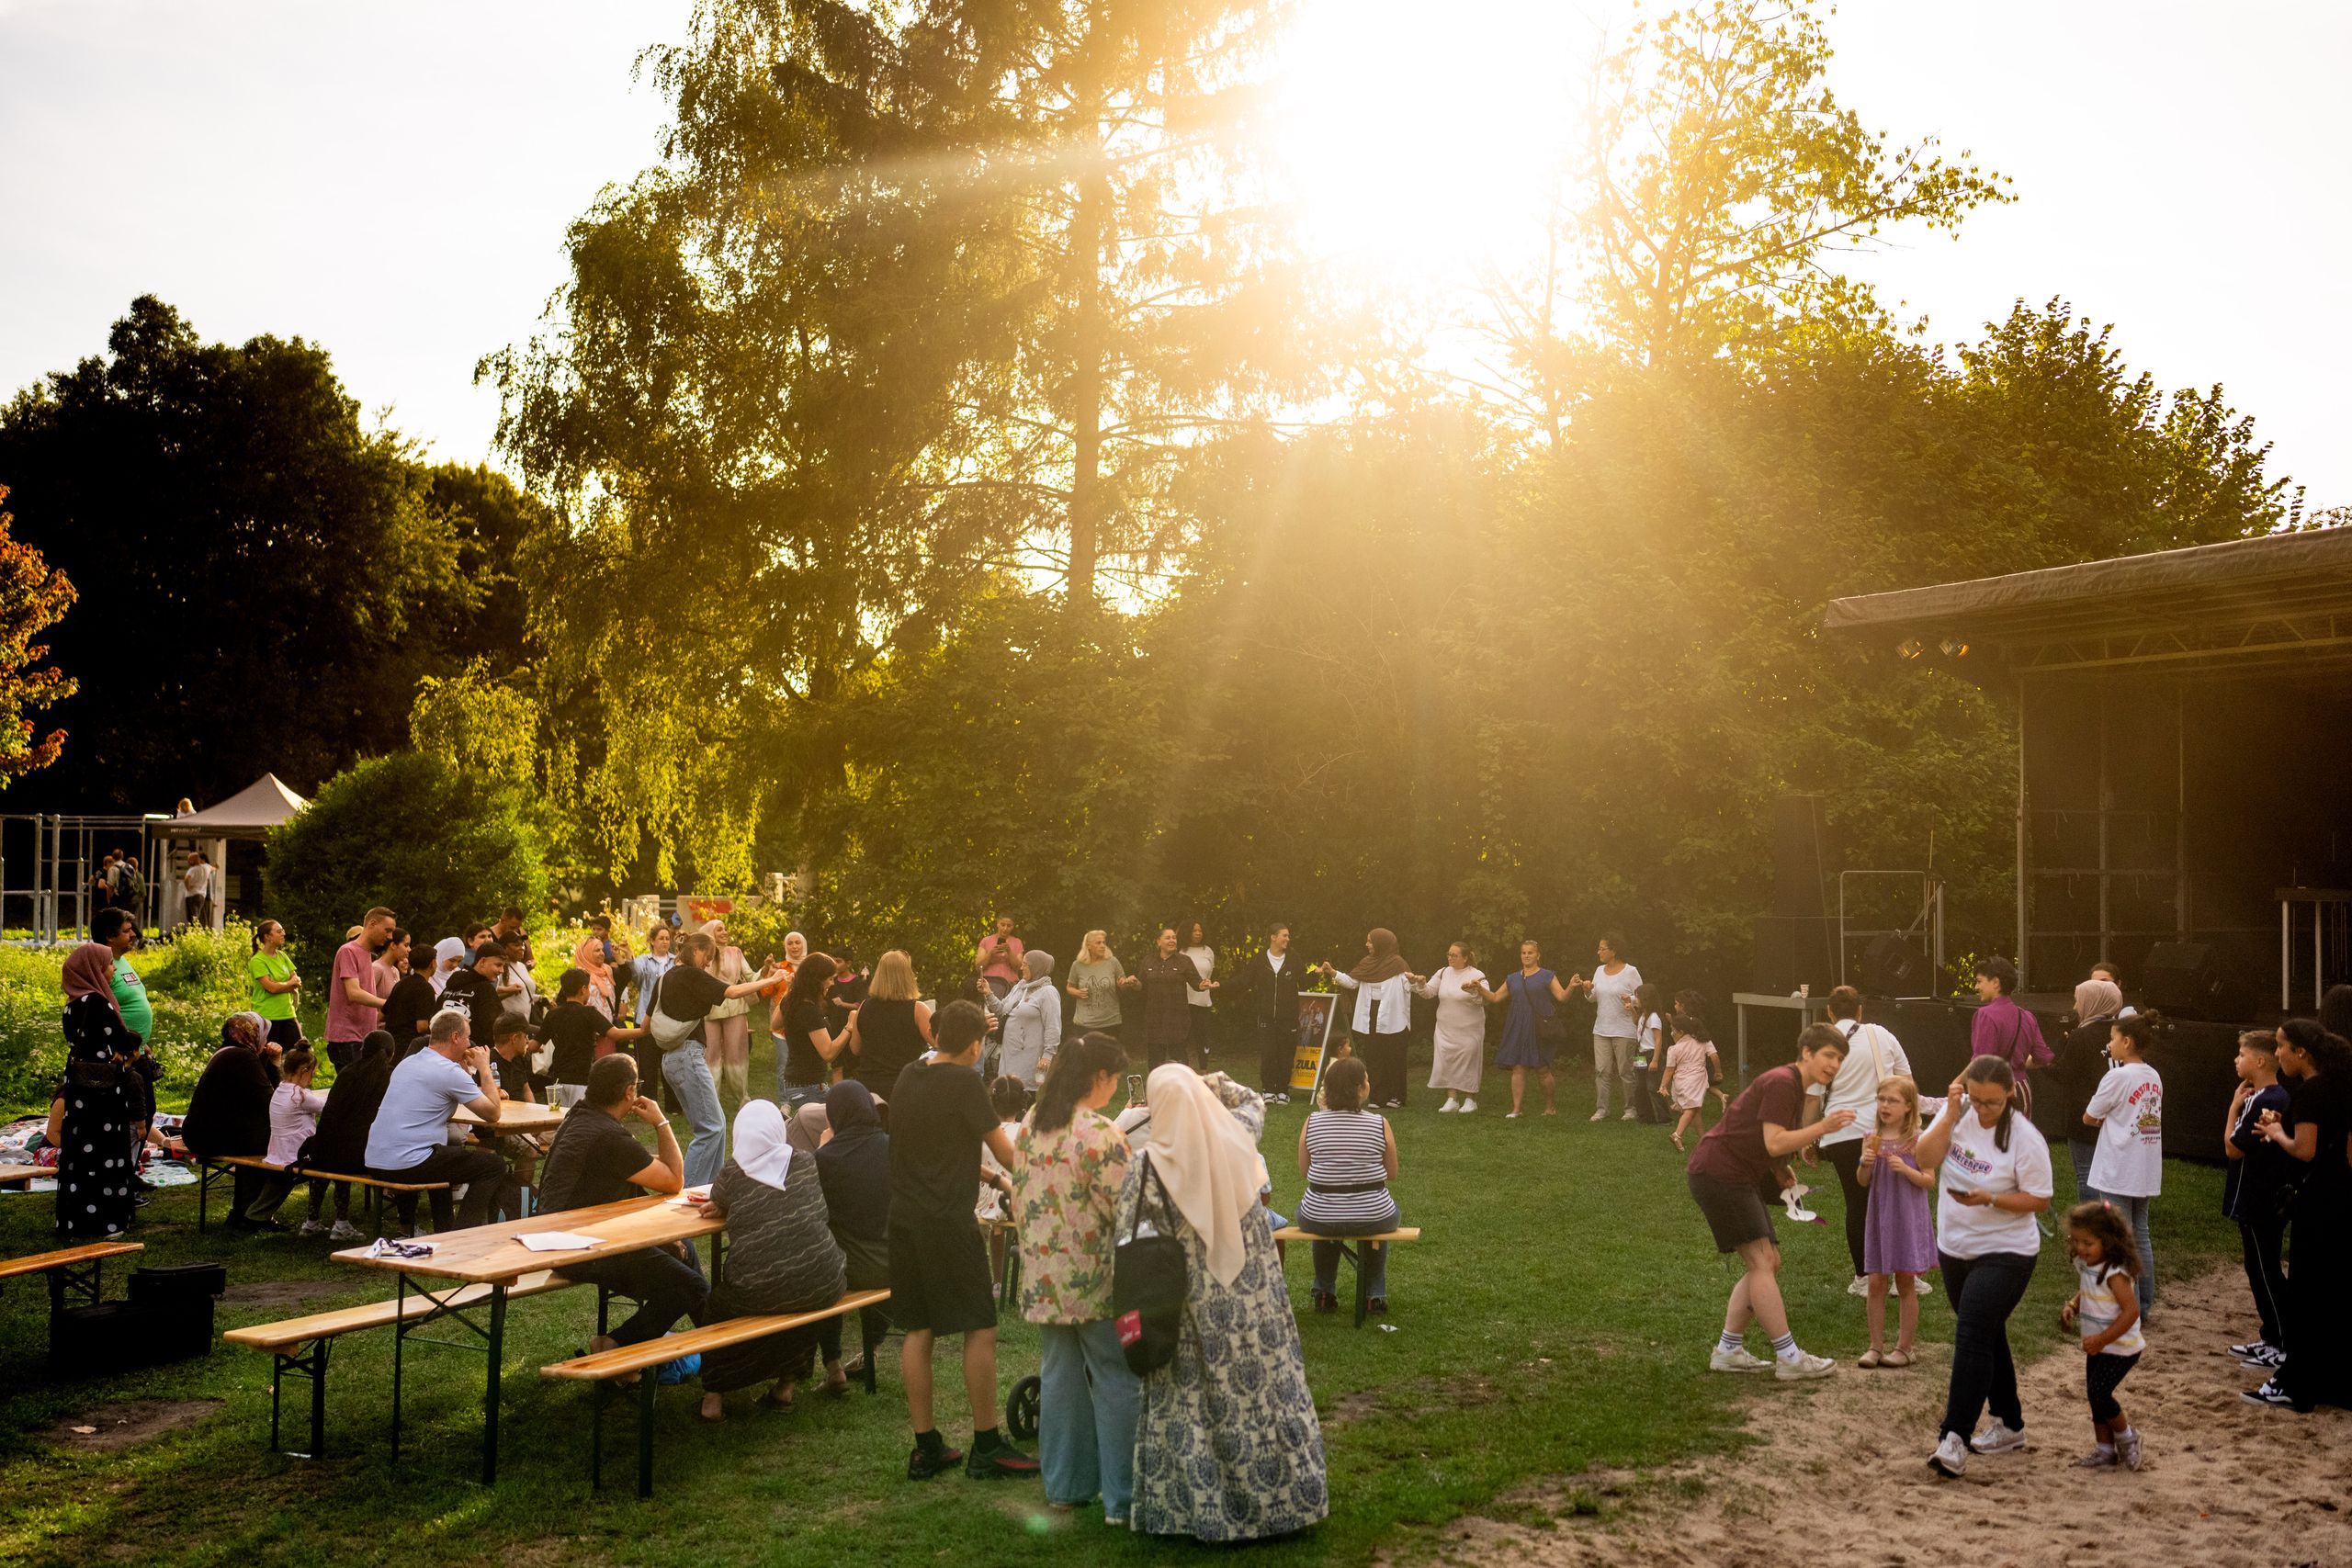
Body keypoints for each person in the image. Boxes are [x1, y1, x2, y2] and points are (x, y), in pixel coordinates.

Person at [1121, 1064, 1325, 1540]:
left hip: (1185, 1299)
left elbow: (1126, 1230)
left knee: (1190, 1396)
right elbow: (1254, 1098)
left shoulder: (1147, 1166)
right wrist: (1206, 1082)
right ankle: (1282, 1506)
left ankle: (1192, 1512)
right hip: (1253, 1296)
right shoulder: (1238, 1138)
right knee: (1264, 1394)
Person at [887, 998, 1036, 1480]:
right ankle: (987, 1445)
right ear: (976, 1046)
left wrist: (993, 1183)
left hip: (905, 1219)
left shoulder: (910, 1074)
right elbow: (1011, 1155)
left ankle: (926, 1447)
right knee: (981, 1326)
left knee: (919, 1330)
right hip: (948, 1221)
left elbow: (937, 1146)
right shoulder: (966, 1083)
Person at [1006, 1031, 1137, 1522]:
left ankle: (1065, 1487)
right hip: (1099, 1278)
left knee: (1060, 1377)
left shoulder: (1032, 1125)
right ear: (1099, 1078)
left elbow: (1020, 1197)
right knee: (1116, 1377)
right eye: (1115, 1079)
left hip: (1044, 1276)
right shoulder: (1102, 1135)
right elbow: (1126, 1210)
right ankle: (1122, 1498)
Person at [1686, 1023, 1849, 1382]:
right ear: (1807, 1053)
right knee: (1762, 1261)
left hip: (1735, 1174)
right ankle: (1789, 1357)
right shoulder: (1781, 1082)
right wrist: (1823, 1127)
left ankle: (1728, 1351)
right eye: (1829, 1055)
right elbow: (1775, 1140)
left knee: (1769, 1261)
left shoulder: (1793, 1085)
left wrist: (1779, 1170)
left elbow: (1766, 1141)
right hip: (1719, 1173)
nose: (1834, 1064)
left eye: (1839, 1059)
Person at [1917, 1055, 2055, 1477]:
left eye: (1991, 1102)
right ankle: (2010, 1424)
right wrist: (1950, 1113)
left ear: (2010, 1094)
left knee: (1973, 1331)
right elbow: (1924, 1155)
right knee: (1986, 1333)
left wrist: (1990, 1198)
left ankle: (1953, 1437)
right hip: (1956, 1246)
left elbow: (2040, 1199)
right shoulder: (1956, 1114)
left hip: (2007, 1251)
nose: (1982, 1109)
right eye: (1976, 1100)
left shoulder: (2026, 1139)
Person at [538, 1054, 710, 1359]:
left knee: (684, 1251)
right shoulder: (607, 1136)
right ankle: (614, 1345)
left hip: (571, 1236)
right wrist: (660, 1120)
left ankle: (717, 1347)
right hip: (581, 1248)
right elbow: (674, 1179)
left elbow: (638, 1172)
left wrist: (660, 1234)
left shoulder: (582, 1117)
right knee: (689, 1286)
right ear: (630, 1093)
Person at [696, 1100, 851, 1419]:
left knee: (717, 1307)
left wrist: (725, 1205)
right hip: (824, 1278)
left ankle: (713, 1398)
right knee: (800, 1293)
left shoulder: (734, 1172)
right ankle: (786, 1385)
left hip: (759, 1288)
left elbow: (718, 1199)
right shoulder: (806, 1162)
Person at [2244, 1019, 2352, 1413]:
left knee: (2307, 1293)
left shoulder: (2311, 1091)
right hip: (2343, 1201)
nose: (2277, 1054)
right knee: (2335, 1293)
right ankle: (2336, 1382)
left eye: (2281, 1046)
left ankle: (2297, 1383)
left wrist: (2276, 1135)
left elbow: (2304, 1150)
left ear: (2301, 1051)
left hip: (2317, 1203)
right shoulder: (2342, 1086)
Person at [362, 1008, 514, 1232]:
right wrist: (484, 1067)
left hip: (376, 1160)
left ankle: (445, 1229)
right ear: (455, 1037)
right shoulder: (448, 1071)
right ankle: (462, 1233)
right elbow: (493, 1114)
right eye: (468, 1037)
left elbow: (429, 1105)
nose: (470, 1043)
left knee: (443, 1156)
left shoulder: (409, 1062)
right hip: (407, 1163)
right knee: (493, 1165)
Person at [647, 930, 777, 1188]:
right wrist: (769, 981)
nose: (708, 963)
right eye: (707, 956)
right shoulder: (691, 975)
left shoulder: (665, 978)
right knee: (711, 1128)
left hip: (670, 1061)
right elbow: (732, 992)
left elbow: (645, 1024)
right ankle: (685, 1193)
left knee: (714, 1124)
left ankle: (713, 1190)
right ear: (695, 951)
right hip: (689, 1057)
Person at [1810, 987, 1916, 1297]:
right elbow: (1906, 1081)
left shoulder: (1821, 1044)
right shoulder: (1881, 1035)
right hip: (1881, 1129)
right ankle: (1901, 1277)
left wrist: (1807, 1138)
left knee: (1856, 1204)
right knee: (1891, 1203)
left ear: (1829, 1012)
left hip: (1840, 1134)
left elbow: (1813, 1095)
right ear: (1860, 1010)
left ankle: (1863, 1277)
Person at [54, 936, 146, 1240]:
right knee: (107, 1149)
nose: (112, 971)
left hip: (79, 1087)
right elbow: (123, 1040)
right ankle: (107, 1222)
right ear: (93, 969)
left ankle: (74, 1220)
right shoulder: (97, 1002)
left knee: (80, 1149)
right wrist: (124, 1050)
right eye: (107, 965)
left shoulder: (71, 1005)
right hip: (103, 1090)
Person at [1295, 1056, 1400, 1314]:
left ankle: (1323, 1292)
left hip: (1319, 1214)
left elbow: (1304, 1170)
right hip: (1373, 1215)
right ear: (1359, 1087)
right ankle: (1374, 1295)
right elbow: (1393, 1172)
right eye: (1366, 1078)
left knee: (1325, 1215)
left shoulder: (1312, 1122)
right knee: (1376, 1214)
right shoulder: (1379, 1123)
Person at [2083, 1012, 2163, 1313]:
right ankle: (2142, 1304)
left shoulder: (2116, 1076)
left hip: (2118, 1165)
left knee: (2120, 1237)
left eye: (2113, 1038)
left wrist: (2106, 1118)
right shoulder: (2152, 1075)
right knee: (2140, 1234)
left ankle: (2125, 1307)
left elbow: (2090, 1116)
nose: (2110, 1043)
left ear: (2126, 1042)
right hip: (2144, 1165)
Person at [2222, 1029, 2292, 1372]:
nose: (2237, 1060)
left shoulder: (2269, 1100)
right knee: (2256, 1267)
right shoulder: (2265, 1097)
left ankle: (2282, 1341)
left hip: (2260, 1197)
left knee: (2266, 1268)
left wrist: (2233, 1109)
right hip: (2252, 1194)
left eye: (2241, 1054)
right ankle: (2271, 1336)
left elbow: (2233, 1148)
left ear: (2260, 1060)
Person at [1856, 1076, 1937, 1369]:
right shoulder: (1871, 1138)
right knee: (1875, 1281)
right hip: (1879, 1216)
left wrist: (1905, 1169)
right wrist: (1865, 1162)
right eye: (1881, 1099)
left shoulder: (1919, 1140)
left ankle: (1904, 1348)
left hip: (1906, 1217)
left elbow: (1929, 1180)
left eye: (1892, 1100)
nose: (1885, 1105)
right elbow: (1862, 1181)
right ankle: (1875, 1346)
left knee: (1905, 1280)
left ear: (1908, 1106)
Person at [2060, 1200, 2146, 1470]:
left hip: (2121, 1347)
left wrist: (2102, 1339)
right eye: (2076, 1242)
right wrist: (2074, 1305)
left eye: (2087, 1243)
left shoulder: (2115, 1272)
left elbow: (2131, 1311)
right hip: (2097, 1345)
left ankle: (2128, 1438)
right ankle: (2104, 1450)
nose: (2081, 1248)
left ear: (2107, 1241)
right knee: (2094, 1395)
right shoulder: (2087, 1265)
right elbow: (2089, 1291)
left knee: (2099, 1393)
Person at [183, 1011, 286, 1230]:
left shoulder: (227, 1052)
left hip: (201, 1133)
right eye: (264, 1036)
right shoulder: (243, 1058)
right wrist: (276, 1063)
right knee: (283, 1143)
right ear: (253, 1035)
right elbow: (273, 1101)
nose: (266, 1041)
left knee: (264, 1137)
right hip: (212, 1137)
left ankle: (241, 1211)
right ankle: (255, 1214)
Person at [816, 1077, 894, 1365]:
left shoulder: (826, 1159)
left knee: (820, 1259)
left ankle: (833, 1363)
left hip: (850, 1266)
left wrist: (822, 1149)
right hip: (897, 1260)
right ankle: (871, 1348)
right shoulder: (894, 1148)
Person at [297, 1030, 396, 1241]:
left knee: (335, 1149)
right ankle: (340, 1224)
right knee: (348, 1149)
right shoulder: (387, 1078)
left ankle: (311, 1221)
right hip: (356, 1157)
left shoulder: (348, 1072)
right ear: (390, 1054)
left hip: (321, 1151)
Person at [1317, 928, 1415, 1111]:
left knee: (1394, 1057)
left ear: (1381, 943)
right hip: (1371, 1015)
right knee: (1374, 1056)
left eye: (1370, 941)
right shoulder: (1367, 963)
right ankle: (1378, 1097)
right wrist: (1333, 972)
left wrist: (1417, 981)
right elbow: (1353, 982)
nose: (1367, 945)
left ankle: (1397, 1096)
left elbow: (1411, 986)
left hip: (1393, 1016)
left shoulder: (1398, 964)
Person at [1471, 940, 1568, 1118]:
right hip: (1517, 1026)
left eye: (1530, 953)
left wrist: (1572, 986)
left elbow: (1562, 997)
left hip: (1538, 1027)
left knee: (1542, 1069)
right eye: (1523, 953)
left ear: (1538, 955)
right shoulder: (1513, 978)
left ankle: (1550, 1107)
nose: (1526, 956)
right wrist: (1479, 989)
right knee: (1518, 1067)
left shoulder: (1547, 975)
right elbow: (1494, 998)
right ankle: (1516, 1109)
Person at [2057, 976, 2125, 1202]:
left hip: (2084, 1115)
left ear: (2092, 1002)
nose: (2076, 1007)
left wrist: (2038, 1064)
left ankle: (2090, 1225)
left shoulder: (2081, 1035)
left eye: (2079, 1001)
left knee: (2086, 1174)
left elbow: (2065, 1074)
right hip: (2118, 1115)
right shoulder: (2123, 1033)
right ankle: (2112, 1219)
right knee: (2113, 1176)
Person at [254, 1044, 332, 1234]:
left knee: (279, 1184)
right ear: (304, 1071)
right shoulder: (301, 1095)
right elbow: (326, 1107)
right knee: (327, 1167)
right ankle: (314, 1220)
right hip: (296, 1155)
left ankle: (256, 1214)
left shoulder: (280, 1090)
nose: (312, 1078)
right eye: (312, 1073)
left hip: (278, 1151)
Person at [1566, 933, 1644, 1121]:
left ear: (1614, 950)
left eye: (1602, 948)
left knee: (1626, 1071)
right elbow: (1593, 998)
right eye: (1599, 948)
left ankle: (1630, 1109)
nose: (1598, 952)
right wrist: (1586, 989)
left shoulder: (1630, 971)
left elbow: (1643, 998)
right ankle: (1602, 1109)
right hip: (1601, 1029)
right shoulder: (1599, 970)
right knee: (1602, 1070)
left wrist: (1631, 1000)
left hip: (1625, 1030)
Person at [1969, 957, 2052, 1119]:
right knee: (2018, 1141)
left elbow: (1982, 1064)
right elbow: (2043, 1058)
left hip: (1995, 1092)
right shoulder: (2026, 1016)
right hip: (2022, 1089)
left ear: (1995, 983)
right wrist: (2018, 1064)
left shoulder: (1985, 1015)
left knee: (1994, 1142)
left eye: (1979, 981)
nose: (1976, 987)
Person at [1125, 928, 1214, 1070]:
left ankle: (1182, 1091)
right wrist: (1135, 983)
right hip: (1154, 1019)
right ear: (1158, 942)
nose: (1172, 940)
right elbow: (1141, 986)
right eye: (1168, 938)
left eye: (1174, 938)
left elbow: (1196, 983)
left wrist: (1203, 985)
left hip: (1178, 1020)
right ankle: (1156, 1091)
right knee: (1155, 1062)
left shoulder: (1184, 961)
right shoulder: (1148, 961)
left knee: (1179, 1062)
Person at [844, 949, 930, 1097]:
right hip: (904, 1086)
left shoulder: (864, 1006)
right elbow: (940, 1043)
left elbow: (855, 1049)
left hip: (869, 1088)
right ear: (907, 975)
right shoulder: (918, 1009)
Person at [547, 967, 635, 1109]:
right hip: (581, 1079)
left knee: (559, 1123)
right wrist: (643, 1031)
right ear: (583, 989)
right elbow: (615, 1034)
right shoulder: (589, 1013)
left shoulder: (552, 1014)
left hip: (558, 1080)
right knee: (581, 1120)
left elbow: (533, 1045)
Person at [326, 908, 396, 1075]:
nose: (390, 937)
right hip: (347, 1039)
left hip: (363, 1037)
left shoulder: (367, 954)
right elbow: (354, 993)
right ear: (372, 924)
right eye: (388, 930)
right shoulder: (348, 951)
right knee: (354, 1096)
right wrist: (389, 1004)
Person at [1419, 942, 1486, 1114]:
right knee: (1447, 1060)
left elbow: (1483, 1000)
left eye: (1455, 955)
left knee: (1469, 1060)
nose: (1450, 958)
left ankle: (1471, 1100)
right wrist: (1419, 983)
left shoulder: (1476, 975)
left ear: (1465, 958)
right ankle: (1452, 1099)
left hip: (1469, 1029)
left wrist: (1473, 991)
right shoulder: (1443, 972)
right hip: (1445, 1028)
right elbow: (1428, 992)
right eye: (1449, 954)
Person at [778, 952, 849, 1106]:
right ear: (816, 980)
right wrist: (849, 1027)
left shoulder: (791, 1001)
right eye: (830, 979)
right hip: (808, 1087)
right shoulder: (809, 1010)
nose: (832, 984)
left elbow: (774, 1024)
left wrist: (789, 991)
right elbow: (828, 1053)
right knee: (841, 1116)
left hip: (794, 1082)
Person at [700, 919, 756, 1104]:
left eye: (725, 928)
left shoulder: (736, 952)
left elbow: (751, 976)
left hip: (735, 1005)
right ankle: (711, 1099)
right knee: (711, 1054)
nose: (724, 932)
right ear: (710, 934)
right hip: (710, 1007)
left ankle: (742, 1098)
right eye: (719, 930)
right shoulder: (703, 954)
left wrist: (766, 971)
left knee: (737, 1053)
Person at [989, 950, 1062, 1089]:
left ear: (1036, 967)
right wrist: (988, 993)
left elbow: (1053, 1027)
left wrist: (1047, 1056)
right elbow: (1001, 1010)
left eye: (1025, 965)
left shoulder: (1048, 992)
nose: (1021, 968)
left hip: (1029, 1056)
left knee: (1024, 1095)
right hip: (1009, 1054)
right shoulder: (1019, 987)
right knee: (1005, 1093)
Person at [1662, 1013, 1720, 1151]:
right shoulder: (1702, 1041)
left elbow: (1669, 1070)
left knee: (1696, 1109)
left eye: (1673, 1030)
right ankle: (1677, 1134)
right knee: (1691, 1109)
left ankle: (1702, 1139)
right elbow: (1715, 1056)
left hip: (1680, 1081)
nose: (1671, 1033)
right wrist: (1718, 1072)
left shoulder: (1674, 1049)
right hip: (1695, 1080)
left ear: (1681, 1032)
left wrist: (1663, 1085)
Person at [1065, 930, 1127, 1049]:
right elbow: (1069, 987)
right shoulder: (1077, 965)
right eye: (1098, 943)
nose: (1102, 946)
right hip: (1085, 1024)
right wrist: (1077, 992)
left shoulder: (1113, 962)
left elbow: (1123, 985)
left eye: (1104, 942)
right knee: (1086, 1062)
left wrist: (1124, 983)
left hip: (1110, 1022)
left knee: (1108, 1062)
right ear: (1088, 946)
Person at [247, 920, 303, 1049]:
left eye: (282, 931)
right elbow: (271, 988)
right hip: (267, 1017)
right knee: (268, 1059)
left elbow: (296, 980)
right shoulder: (257, 961)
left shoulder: (283, 956)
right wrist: (289, 985)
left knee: (300, 1054)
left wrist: (282, 985)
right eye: (279, 932)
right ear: (267, 937)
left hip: (288, 1014)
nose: (283, 934)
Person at [379, 939, 440, 1055]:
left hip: (390, 1045)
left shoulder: (401, 983)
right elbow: (421, 1026)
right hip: (409, 1048)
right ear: (432, 963)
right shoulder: (426, 989)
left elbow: (382, 1015)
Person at [440, 944, 509, 1046]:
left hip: (442, 1050)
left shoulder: (450, 987)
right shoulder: (485, 990)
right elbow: (497, 1028)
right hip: (474, 1053)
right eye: (498, 965)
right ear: (483, 962)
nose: (502, 970)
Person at [1628, 982, 1669, 1123]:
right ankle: (1645, 1117)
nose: (1636, 1000)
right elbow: (1636, 1023)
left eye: (1638, 997)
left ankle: (1664, 1118)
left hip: (1651, 1054)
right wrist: (1632, 1011)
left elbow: (1658, 1040)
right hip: (1640, 1054)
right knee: (1640, 1087)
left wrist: (1655, 1060)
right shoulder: (1643, 1015)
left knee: (1653, 1087)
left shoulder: (1654, 1018)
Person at [1178, 921, 1216, 1069]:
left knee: (1203, 1039)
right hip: (1183, 1002)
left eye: (1200, 930)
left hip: (1202, 1002)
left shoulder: (1208, 951)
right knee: (1182, 1040)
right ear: (1188, 932)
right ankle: (1184, 1071)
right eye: (1194, 931)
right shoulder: (1181, 951)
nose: (1198, 933)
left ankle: (1204, 1071)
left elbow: (1208, 974)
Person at [976, 915, 1026, 1000]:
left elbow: (1019, 967)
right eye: (1002, 925)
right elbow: (978, 967)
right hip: (989, 983)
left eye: (1009, 926)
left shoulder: (1017, 942)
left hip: (1010, 984)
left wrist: (1009, 951)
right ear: (997, 924)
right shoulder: (986, 941)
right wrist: (990, 954)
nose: (1005, 928)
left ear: (1013, 927)